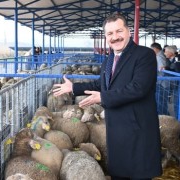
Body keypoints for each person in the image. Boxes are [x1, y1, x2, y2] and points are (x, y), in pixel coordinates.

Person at [53, 14, 162, 179]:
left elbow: (138, 88)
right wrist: (74, 87)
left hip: (137, 130)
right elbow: (100, 84)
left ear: (128, 31)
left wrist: (103, 98)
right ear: (106, 37)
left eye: (119, 31)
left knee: (138, 174)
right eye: (110, 34)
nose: (115, 37)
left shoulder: (144, 55)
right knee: (119, 174)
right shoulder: (109, 60)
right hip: (115, 129)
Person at [150, 42, 169, 115]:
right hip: (162, 82)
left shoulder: (159, 57)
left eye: (152, 49)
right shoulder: (160, 55)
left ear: (155, 48)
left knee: (161, 102)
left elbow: (162, 70)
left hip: (161, 83)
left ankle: (164, 118)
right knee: (162, 101)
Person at [164, 45, 180, 118]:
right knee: (176, 102)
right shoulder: (172, 60)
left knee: (177, 102)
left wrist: (166, 69)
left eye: (166, 52)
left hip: (178, 83)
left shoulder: (177, 59)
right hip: (176, 84)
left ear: (171, 53)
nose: (165, 53)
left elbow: (177, 70)